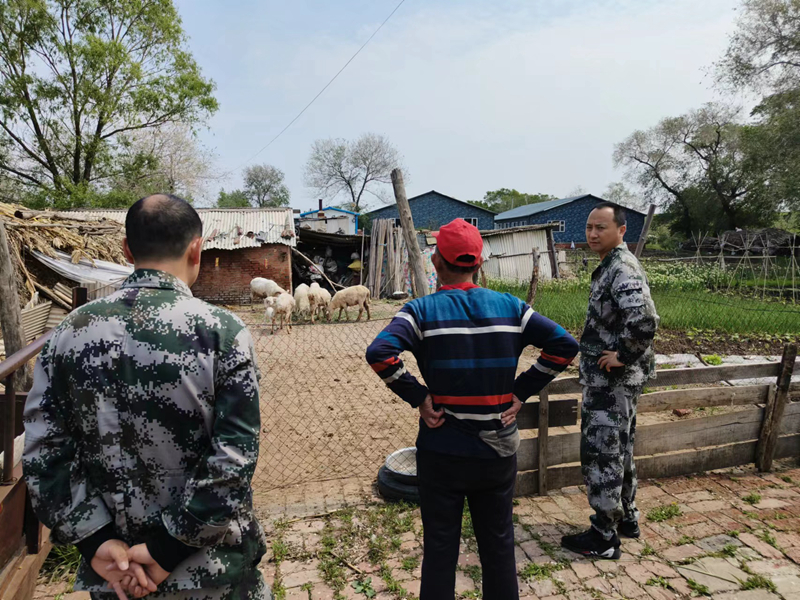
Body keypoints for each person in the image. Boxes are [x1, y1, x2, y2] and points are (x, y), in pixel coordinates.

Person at [23, 194, 268, 600]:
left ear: (126, 249)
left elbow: (44, 450)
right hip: (211, 572)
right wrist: (168, 548)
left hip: (115, 572)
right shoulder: (222, 332)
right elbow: (235, 454)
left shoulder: (67, 333)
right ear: (197, 249)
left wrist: (95, 540)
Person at [366, 219, 578, 600]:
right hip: (496, 454)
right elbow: (565, 345)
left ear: (436, 261)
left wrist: (420, 397)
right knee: (498, 547)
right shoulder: (511, 308)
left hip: (441, 454)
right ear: (479, 263)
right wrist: (521, 391)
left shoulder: (419, 312)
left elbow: (379, 352)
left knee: (440, 550)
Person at [560, 202, 659, 560]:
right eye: (589, 227)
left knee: (603, 453)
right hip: (616, 383)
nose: (592, 233)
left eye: (600, 227)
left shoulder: (621, 267)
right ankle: (626, 518)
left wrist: (623, 355)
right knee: (621, 450)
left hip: (611, 382)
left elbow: (644, 320)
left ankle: (603, 537)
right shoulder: (612, 265)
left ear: (621, 230)